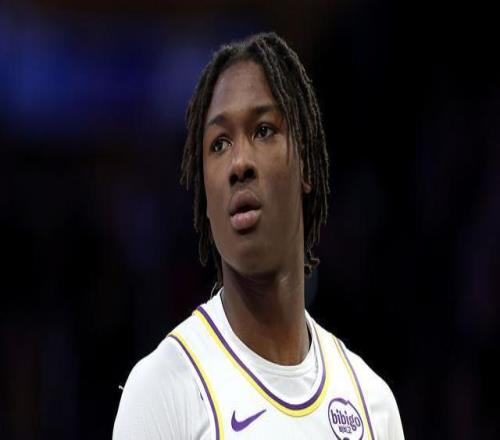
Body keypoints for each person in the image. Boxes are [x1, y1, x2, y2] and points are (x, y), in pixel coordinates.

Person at [113, 32, 404, 439]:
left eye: (264, 130)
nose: (239, 164)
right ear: (205, 196)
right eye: (219, 144)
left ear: (306, 165)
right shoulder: (164, 390)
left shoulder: (372, 405)